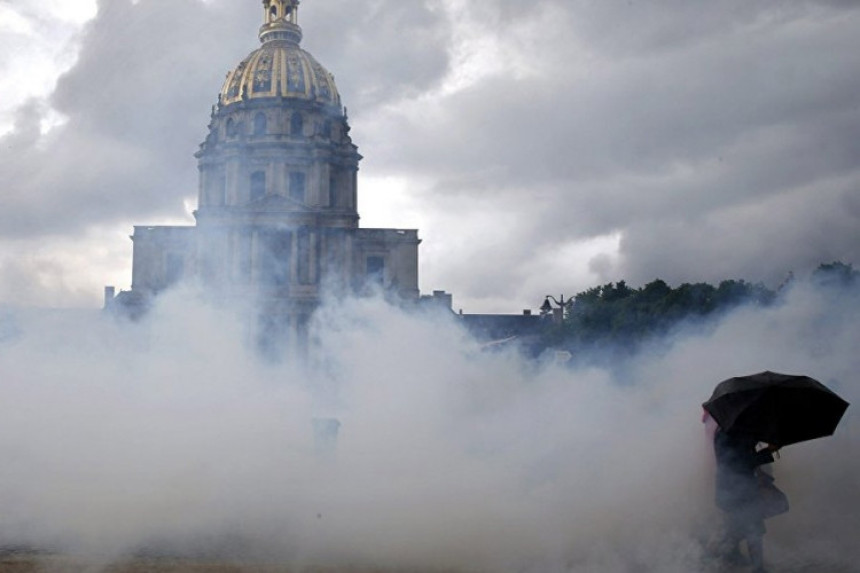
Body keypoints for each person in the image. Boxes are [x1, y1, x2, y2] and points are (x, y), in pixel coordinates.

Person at [712, 426, 780, 572]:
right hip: (738, 490)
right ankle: (757, 568)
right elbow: (742, 462)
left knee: (739, 527)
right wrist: (768, 451)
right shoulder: (729, 434)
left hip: (732, 490)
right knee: (753, 528)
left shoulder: (726, 430)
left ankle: (730, 555)